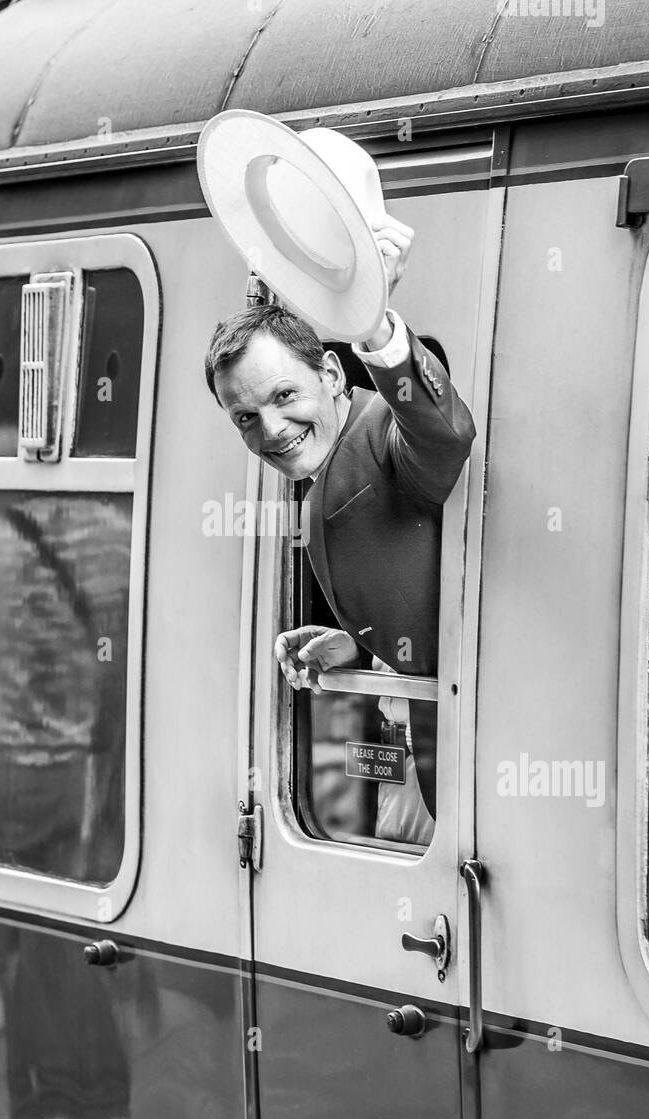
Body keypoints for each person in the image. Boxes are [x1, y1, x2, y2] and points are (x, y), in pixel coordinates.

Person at [204, 221, 475, 821]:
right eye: (244, 417)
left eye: (282, 396)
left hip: (461, 756)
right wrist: (356, 650)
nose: (270, 429)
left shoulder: (381, 429)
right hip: (415, 752)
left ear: (331, 374)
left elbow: (444, 436)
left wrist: (376, 327)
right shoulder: (328, 457)